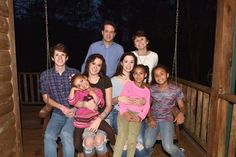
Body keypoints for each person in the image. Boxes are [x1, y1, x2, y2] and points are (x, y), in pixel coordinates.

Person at [39, 43, 79, 157]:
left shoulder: (75, 73)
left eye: (62, 55)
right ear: (52, 58)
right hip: (57, 113)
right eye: (57, 55)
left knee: (66, 134)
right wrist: (61, 107)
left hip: (73, 113)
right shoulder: (45, 75)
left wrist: (76, 109)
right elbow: (45, 97)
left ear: (67, 57)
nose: (60, 58)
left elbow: (83, 95)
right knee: (49, 136)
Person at [107, 52, 148, 157]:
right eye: (126, 61)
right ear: (121, 63)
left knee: (139, 142)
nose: (128, 64)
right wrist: (119, 98)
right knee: (124, 140)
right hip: (118, 112)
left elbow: (147, 99)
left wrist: (142, 101)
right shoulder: (113, 80)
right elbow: (108, 102)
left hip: (137, 113)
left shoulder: (138, 79)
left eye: (131, 62)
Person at [67, 73, 115, 155]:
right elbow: (71, 101)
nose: (82, 85)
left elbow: (101, 104)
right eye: (79, 85)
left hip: (94, 118)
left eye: (82, 81)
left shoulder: (97, 90)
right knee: (76, 143)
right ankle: (81, 152)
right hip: (80, 121)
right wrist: (73, 90)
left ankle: (113, 145)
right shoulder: (78, 93)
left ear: (85, 78)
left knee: (110, 130)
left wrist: (94, 95)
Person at [144, 64, 185, 157]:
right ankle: (149, 153)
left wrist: (181, 113)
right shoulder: (152, 89)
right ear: (154, 78)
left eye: (161, 74)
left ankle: (179, 154)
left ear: (167, 75)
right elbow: (147, 106)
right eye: (156, 75)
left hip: (167, 119)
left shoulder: (176, 89)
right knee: (147, 144)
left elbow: (182, 106)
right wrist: (150, 118)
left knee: (168, 146)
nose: (159, 77)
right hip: (153, 118)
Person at [77, 54, 113, 157]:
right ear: (88, 63)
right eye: (93, 63)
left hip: (104, 117)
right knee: (88, 142)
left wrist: (99, 119)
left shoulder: (105, 80)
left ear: (102, 67)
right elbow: (75, 102)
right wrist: (85, 104)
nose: (95, 67)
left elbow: (109, 105)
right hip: (86, 117)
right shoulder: (81, 80)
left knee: (98, 140)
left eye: (99, 65)